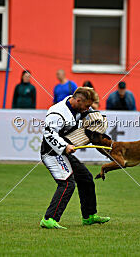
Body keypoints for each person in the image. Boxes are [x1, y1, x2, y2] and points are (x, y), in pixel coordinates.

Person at [40, 87, 110, 229]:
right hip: (51, 152)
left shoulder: (79, 108)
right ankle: (49, 219)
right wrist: (65, 146)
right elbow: (48, 134)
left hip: (63, 152)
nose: (88, 109)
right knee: (67, 184)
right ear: (78, 100)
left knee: (86, 178)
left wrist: (99, 119)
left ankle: (89, 216)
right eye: (87, 106)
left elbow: (92, 114)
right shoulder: (57, 113)